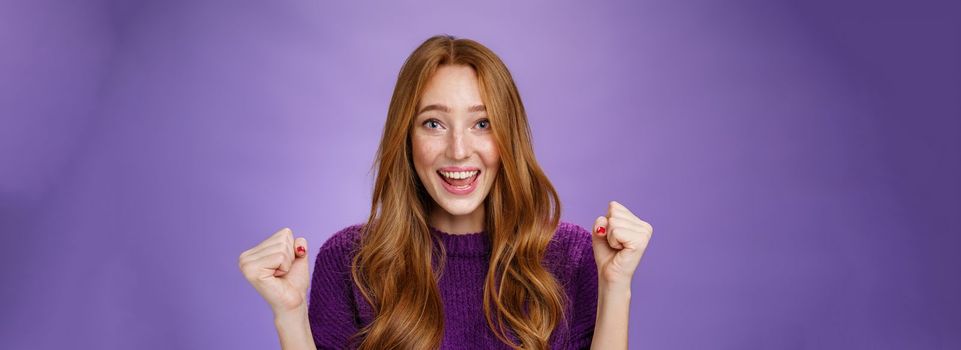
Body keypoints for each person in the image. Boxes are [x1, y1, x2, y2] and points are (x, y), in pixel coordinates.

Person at [238, 35, 654, 350]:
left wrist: (616, 286)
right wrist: (289, 313)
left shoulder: (572, 258)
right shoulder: (351, 262)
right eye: (433, 123)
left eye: (482, 123)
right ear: (407, 137)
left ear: (508, 137)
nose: (458, 150)